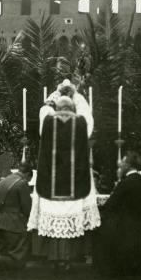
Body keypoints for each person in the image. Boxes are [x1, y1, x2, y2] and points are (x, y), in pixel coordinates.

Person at [28, 96, 101, 271]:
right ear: (73, 107)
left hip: (50, 186)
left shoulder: (47, 121)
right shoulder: (82, 122)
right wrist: (76, 95)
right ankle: (67, 260)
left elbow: (44, 109)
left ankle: (54, 259)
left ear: (57, 107)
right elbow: (87, 113)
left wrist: (52, 97)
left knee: (55, 229)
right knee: (68, 228)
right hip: (75, 185)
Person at [94, 151, 141, 276]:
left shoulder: (126, 182)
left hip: (122, 226)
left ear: (128, 165)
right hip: (139, 225)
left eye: (122, 164)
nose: (120, 166)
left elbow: (111, 204)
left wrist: (100, 209)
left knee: (99, 233)